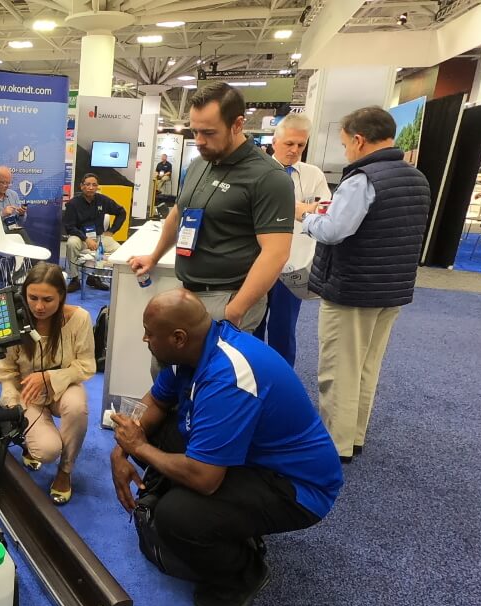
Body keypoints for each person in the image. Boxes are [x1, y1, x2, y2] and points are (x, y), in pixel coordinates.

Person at [109, 288, 342, 606]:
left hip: (297, 487)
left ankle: (244, 572)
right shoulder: (193, 350)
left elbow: (205, 480)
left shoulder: (228, 377)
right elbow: (157, 401)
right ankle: (227, 521)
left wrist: (139, 448)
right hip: (252, 458)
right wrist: (123, 448)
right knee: (158, 431)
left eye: (150, 334)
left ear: (178, 337)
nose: (146, 339)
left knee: (177, 516)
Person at [297, 106, 430, 463]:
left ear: (358, 140)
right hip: (392, 288)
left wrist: (307, 217)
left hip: (353, 289)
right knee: (367, 366)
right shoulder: (416, 177)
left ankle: (334, 445)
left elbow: (334, 231)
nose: (345, 151)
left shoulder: (363, 179)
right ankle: (353, 436)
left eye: (344, 144)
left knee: (339, 369)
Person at [128, 82, 295, 333]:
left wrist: (235, 311)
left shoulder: (269, 177)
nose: (199, 141)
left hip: (228, 296)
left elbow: (276, 253)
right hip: (188, 290)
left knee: (212, 372)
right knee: (165, 365)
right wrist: (154, 256)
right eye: (195, 132)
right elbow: (178, 213)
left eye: (209, 132)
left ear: (237, 124)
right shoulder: (199, 164)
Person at [0, 262, 95, 505]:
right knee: (47, 451)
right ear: (24, 294)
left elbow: (87, 365)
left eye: (48, 299)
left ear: (61, 296)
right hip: (26, 395)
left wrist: (50, 377)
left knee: (77, 407)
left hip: (62, 389)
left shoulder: (79, 318)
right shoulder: (13, 321)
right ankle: (32, 443)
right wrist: (12, 405)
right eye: (33, 297)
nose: (39, 306)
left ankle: (65, 471)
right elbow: (6, 372)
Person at [253, 113, 332, 366]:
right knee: (251, 325)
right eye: (289, 144)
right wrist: (300, 209)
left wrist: (301, 209)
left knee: (284, 329)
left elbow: (326, 210)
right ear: (275, 142)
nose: (295, 150)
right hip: (257, 261)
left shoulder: (313, 174)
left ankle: (282, 382)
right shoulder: (257, 172)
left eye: (301, 145)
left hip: (294, 265)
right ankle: (249, 378)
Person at [63, 173, 127, 292]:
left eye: (94, 185)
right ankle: (74, 278)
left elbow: (121, 212)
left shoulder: (103, 200)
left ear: (98, 187)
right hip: (80, 237)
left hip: (99, 237)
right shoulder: (73, 204)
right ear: (81, 186)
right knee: (71, 244)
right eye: (87, 184)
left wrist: (112, 231)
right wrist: (86, 239)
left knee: (119, 250)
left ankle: (95, 277)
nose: (91, 187)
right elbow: (69, 227)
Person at [0, 165, 31, 243]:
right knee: (21, 234)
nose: (6, 186)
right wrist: (2, 214)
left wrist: (21, 214)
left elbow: (21, 222)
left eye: (9, 183)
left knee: (21, 233)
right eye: (3, 182)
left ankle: (29, 254)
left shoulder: (13, 195)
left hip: (13, 232)